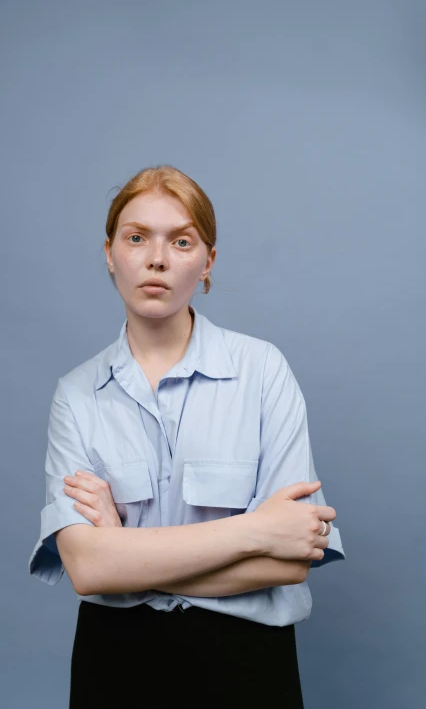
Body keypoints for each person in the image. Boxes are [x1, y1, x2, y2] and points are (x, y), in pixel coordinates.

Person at [29, 164, 346, 707]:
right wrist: (256, 531)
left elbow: (291, 559)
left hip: (249, 667)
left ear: (207, 263)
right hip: (116, 667)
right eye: (136, 238)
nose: (157, 259)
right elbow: (87, 569)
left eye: (181, 240)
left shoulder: (263, 370)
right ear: (110, 253)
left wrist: (124, 555)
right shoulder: (76, 395)